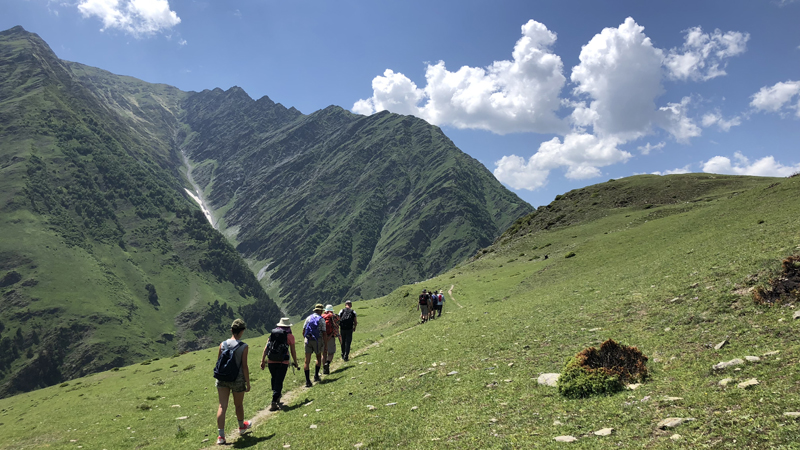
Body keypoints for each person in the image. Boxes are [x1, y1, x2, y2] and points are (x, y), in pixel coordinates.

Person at [215, 319, 251, 445]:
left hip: (222, 378)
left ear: (231, 330)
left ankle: (221, 436)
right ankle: (241, 427)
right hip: (237, 379)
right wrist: (248, 382)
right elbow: (244, 366)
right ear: (242, 331)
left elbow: (219, 362)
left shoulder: (222, 344)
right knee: (238, 405)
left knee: (222, 406)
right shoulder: (244, 347)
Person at [260, 317, 299, 412]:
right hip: (283, 362)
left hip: (271, 361)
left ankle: (276, 394)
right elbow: (293, 351)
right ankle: (274, 400)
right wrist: (295, 362)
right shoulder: (290, 336)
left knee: (274, 378)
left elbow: (266, 347)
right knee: (279, 380)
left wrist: (263, 360)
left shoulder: (273, 334)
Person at [302, 303, 328, 387]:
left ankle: (307, 381)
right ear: (320, 311)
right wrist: (325, 344)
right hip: (317, 340)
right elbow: (324, 333)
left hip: (308, 340)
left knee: (307, 361)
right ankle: (316, 376)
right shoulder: (321, 319)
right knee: (318, 357)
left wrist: (306, 339)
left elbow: (304, 331)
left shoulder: (308, 318)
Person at [321, 305, 340, 374]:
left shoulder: (321, 316)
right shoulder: (333, 316)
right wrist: (331, 335)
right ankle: (328, 363)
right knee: (331, 353)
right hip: (331, 336)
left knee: (324, 353)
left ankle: (324, 369)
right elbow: (338, 324)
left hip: (322, 337)